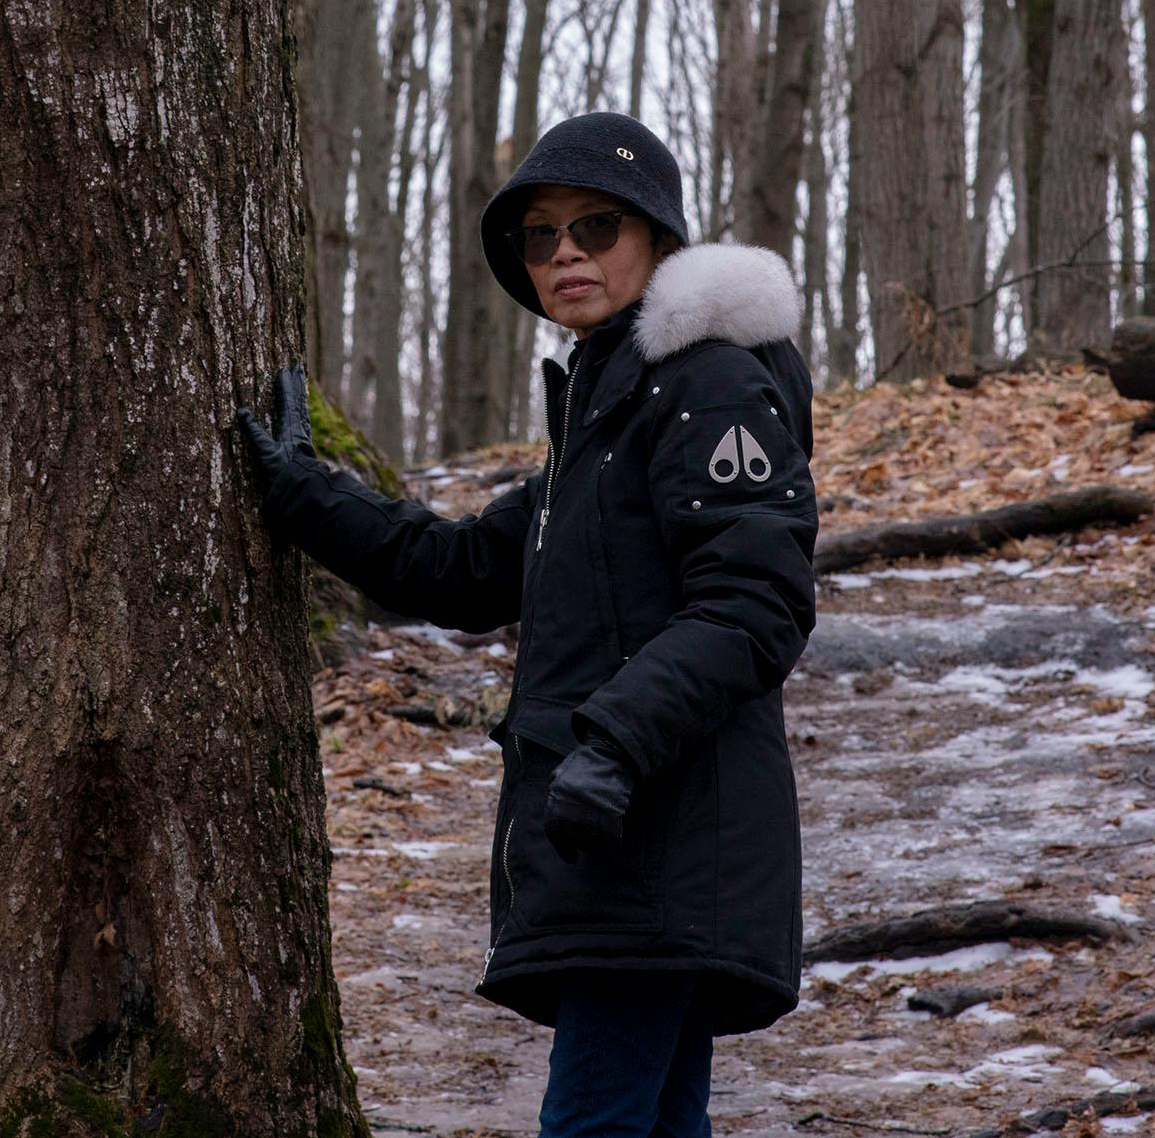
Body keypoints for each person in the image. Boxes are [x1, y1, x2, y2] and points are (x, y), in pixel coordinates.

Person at [235, 110, 818, 1138]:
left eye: (596, 226)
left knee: (594, 1119)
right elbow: (463, 569)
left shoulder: (709, 385)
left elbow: (756, 603)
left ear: (659, 239)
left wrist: (614, 742)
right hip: (625, 837)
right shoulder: (611, 408)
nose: (564, 254)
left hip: (660, 836)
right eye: (540, 235)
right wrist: (305, 495)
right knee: (655, 1118)